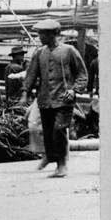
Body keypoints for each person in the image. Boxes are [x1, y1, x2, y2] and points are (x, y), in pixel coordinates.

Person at [22, 17, 88, 178]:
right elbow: (31, 75)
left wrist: (74, 90)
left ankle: (62, 164)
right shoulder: (39, 53)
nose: (40, 37)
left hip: (64, 98)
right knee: (48, 131)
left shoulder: (68, 51)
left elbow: (82, 73)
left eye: (43, 34)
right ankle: (50, 156)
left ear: (53, 34)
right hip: (45, 99)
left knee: (59, 130)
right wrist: (25, 93)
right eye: (39, 34)